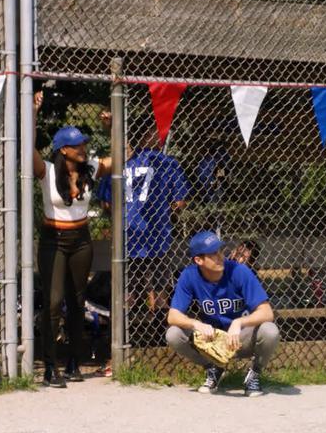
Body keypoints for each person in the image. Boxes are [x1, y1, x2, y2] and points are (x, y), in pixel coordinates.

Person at [32, 91, 114, 388]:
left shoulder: (89, 168)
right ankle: (50, 366)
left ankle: (73, 362)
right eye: (77, 145)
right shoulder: (46, 171)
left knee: (77, 301)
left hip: (81, 239)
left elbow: (121, 157)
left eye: (84, 143)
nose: (83, 148)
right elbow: (28, 151)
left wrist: (112, 129)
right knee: (53, 303)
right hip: (53, 239)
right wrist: (32, 115)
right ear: (63, 150)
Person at [166, 231, 279, 397]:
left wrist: (239, 322)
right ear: (199, 260)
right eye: (213, 254)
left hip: (240, 338)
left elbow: (267, 312)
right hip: (212, 340)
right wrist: (196, 324)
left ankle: (254, 375)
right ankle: (213, 368)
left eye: (219, 250)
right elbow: (173, 316)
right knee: (173, 334)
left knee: (270, 330)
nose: (220, 256)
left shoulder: (239, 271)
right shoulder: (189, 275)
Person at [97, 127, 189, 313]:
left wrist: (123, 214)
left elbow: (105, 202)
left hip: (128, 232)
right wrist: (167, 213)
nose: (161, 136)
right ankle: (156, 329)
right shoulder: (166, 162)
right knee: (160, 287)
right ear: (146, 134)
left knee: (129, 288)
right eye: (156, 132)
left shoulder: (119, 162)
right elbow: (180, 202)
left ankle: (129, 325)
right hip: (158, 234)